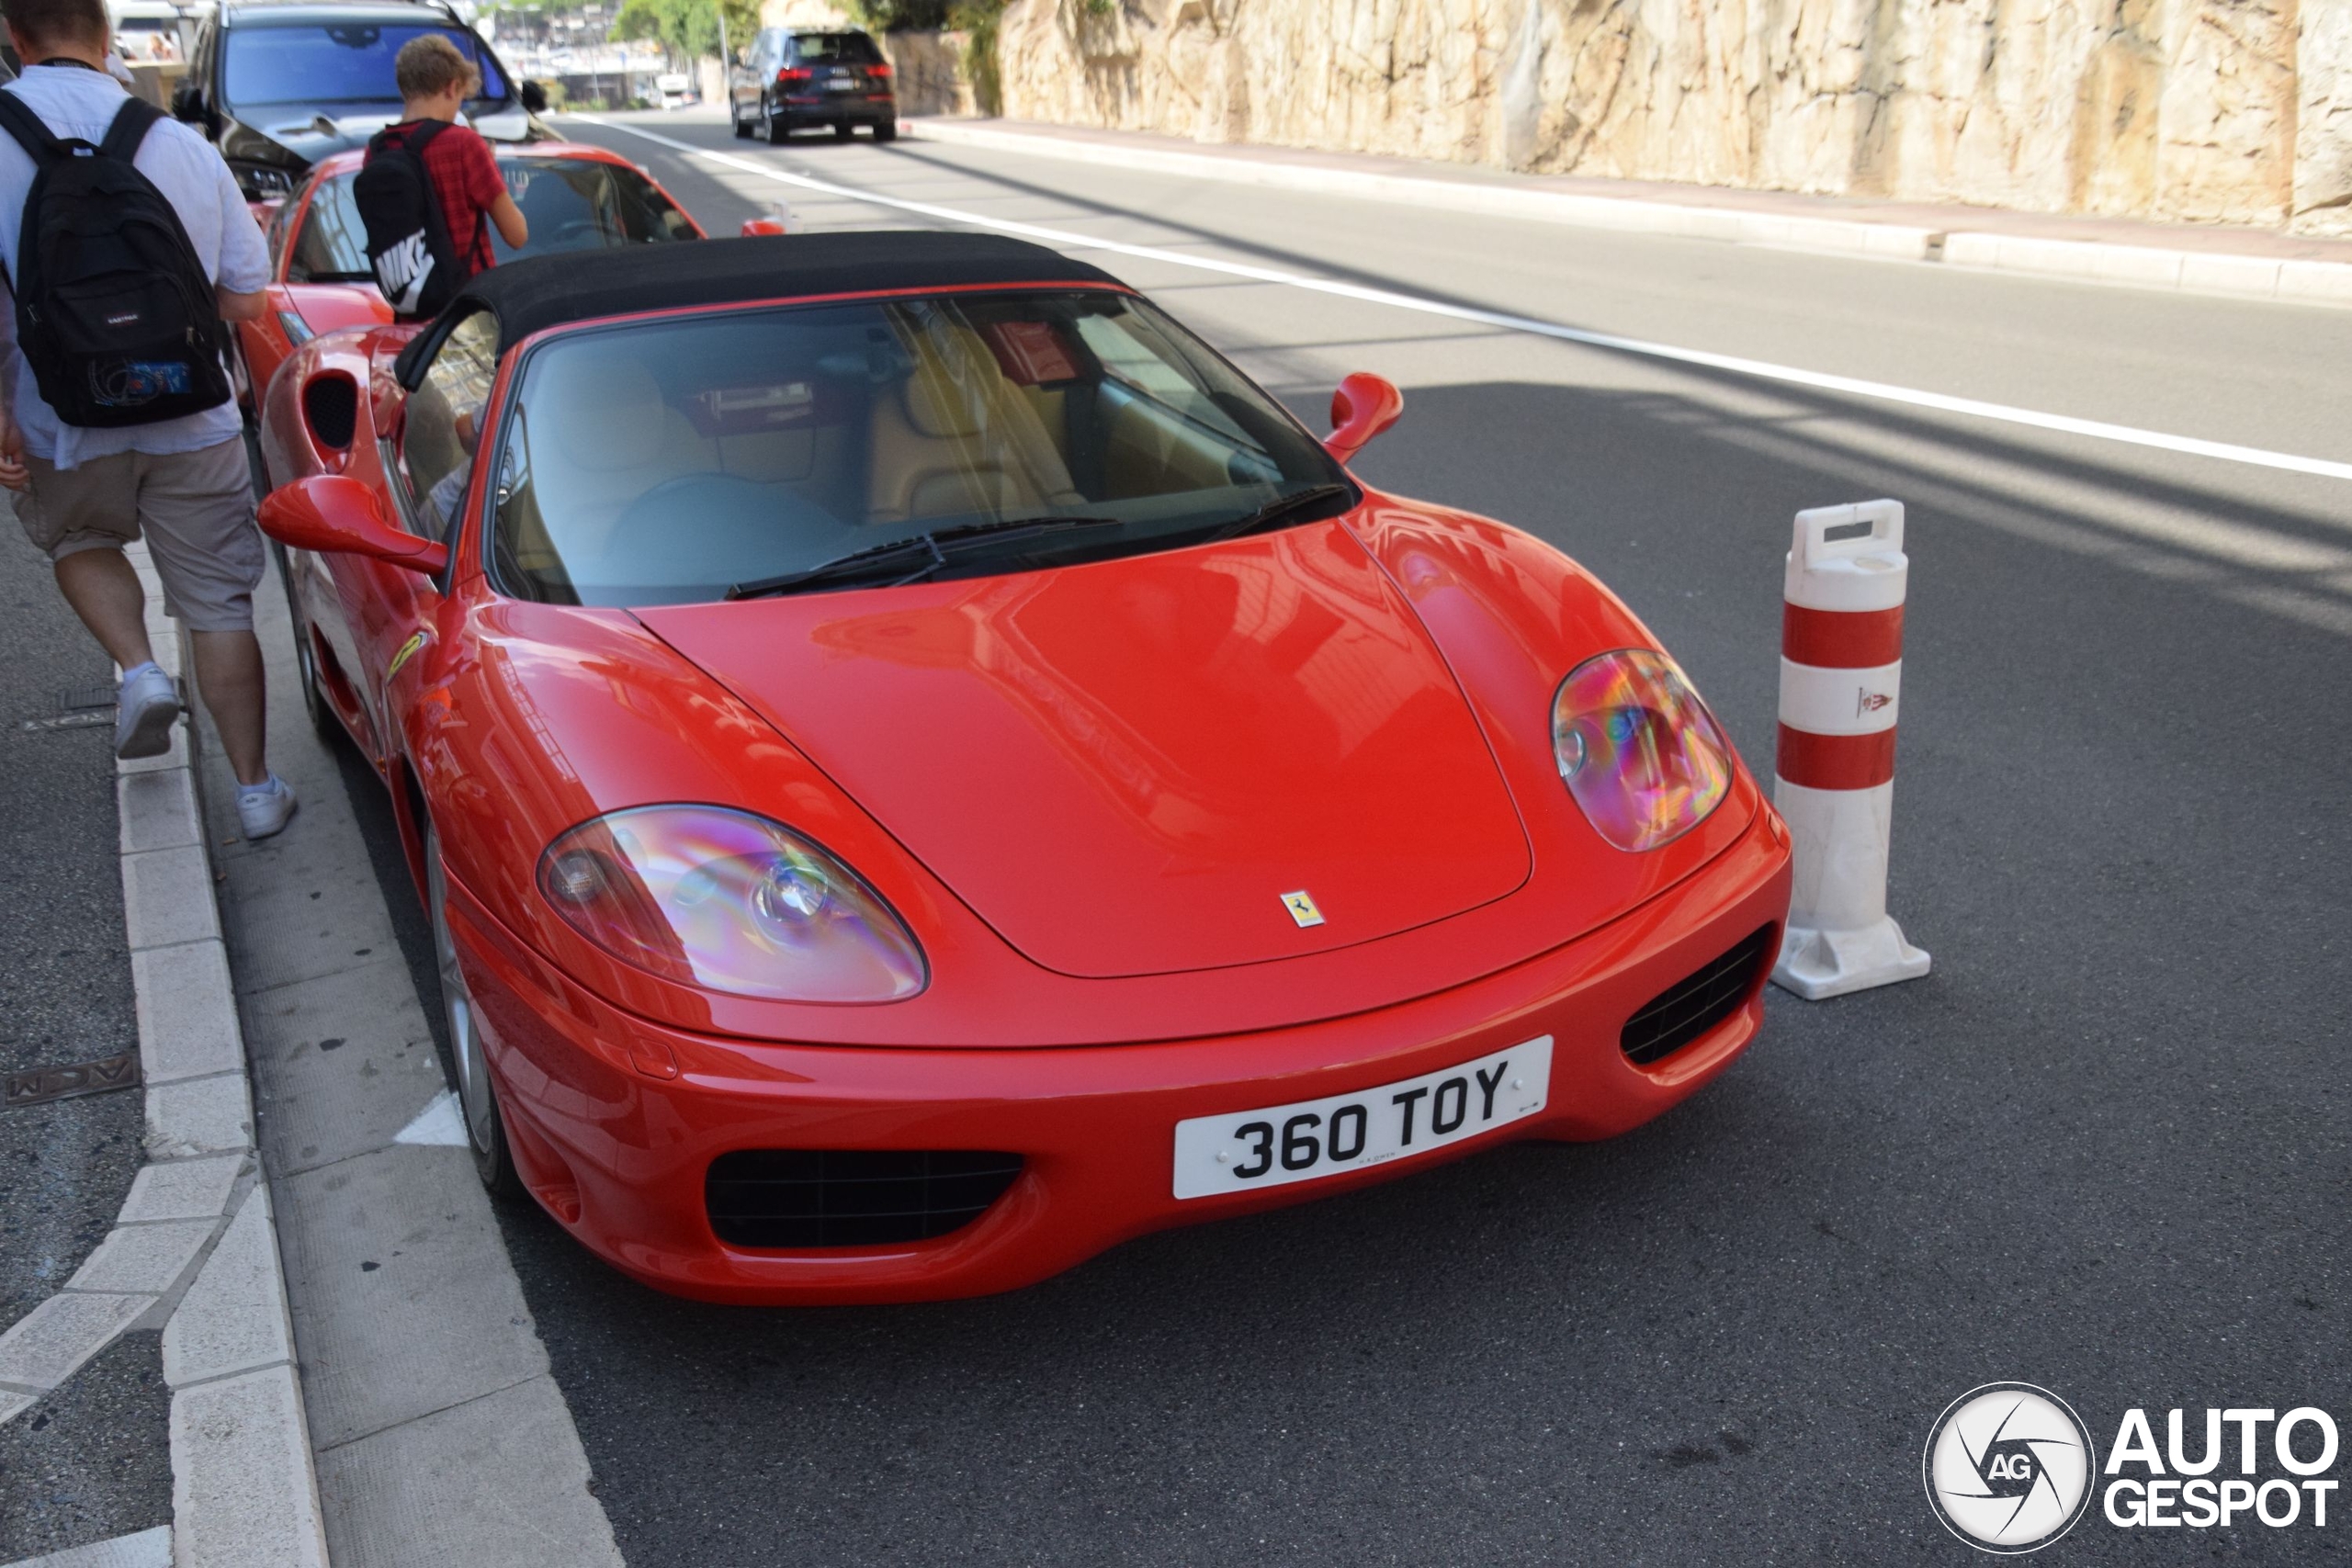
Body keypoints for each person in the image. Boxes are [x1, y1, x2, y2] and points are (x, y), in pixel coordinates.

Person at [0, 0, 296, 838]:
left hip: (58, 412)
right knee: (218, 602)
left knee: (80, 541)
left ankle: (137, 671)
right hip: (192, 410)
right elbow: (246, 294)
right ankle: (256, 791)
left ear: (15, 39)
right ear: (106, 40)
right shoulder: (178, 143)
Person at [377, 33, 526, 299]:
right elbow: (517, 235)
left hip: (411, 306)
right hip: (467, 308)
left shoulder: (378, 149)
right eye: (460, 96)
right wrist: (488, 168)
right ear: (451, 87)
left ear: (404, 89)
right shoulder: (464, 144)